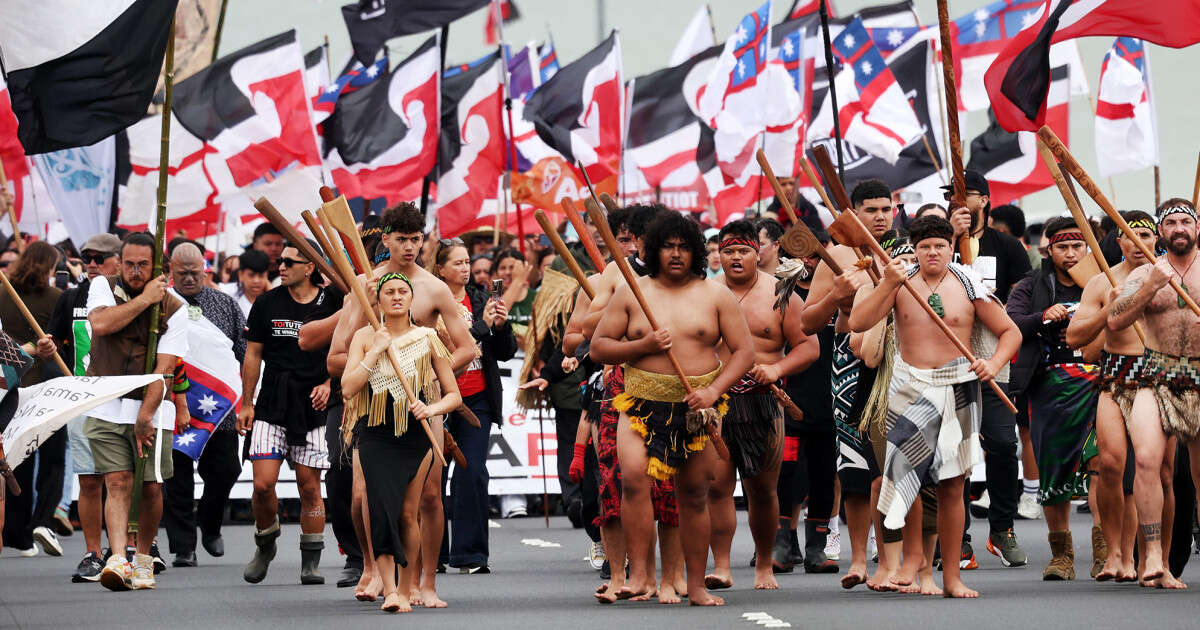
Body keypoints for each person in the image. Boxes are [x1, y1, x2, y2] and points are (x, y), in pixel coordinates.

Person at [849, 215, 1020, 598]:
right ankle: (911, 561)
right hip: (910, 385)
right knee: (905, 474)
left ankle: (952, 577)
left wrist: (992, 364)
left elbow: (1011, 331)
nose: (932, 253)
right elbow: (858, 322)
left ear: (949, 247)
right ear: (916, 248)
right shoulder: (900, 280)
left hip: (959, 386)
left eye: (939, 246)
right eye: (924, 246)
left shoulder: (968, 282)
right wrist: (888, 283)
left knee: (952, 484)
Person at [591, 211, 755, 607]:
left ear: (696, 251)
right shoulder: (633, 292)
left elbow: (744, 352)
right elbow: (599, 347)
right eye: (668, 247)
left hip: (697, 408)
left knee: (694, 495)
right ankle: (642, 576)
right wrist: (641, 346)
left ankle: (695, 585)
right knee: (632, 478)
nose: (676, 254)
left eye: (684, 247)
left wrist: (714, 390)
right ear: (654, 251)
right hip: (641, 405)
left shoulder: (715, 294)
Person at [327, 203, 475, 607]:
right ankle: (373, 568)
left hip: (423, 406)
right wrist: (372, 363)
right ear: (385, 239)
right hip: (372, 408)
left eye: (416, 239)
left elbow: (465, 348)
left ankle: (424, 582)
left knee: (427, 498)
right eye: (402, 239)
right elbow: (336, 357)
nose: (409, 247)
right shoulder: (365, 286)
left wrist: (427, 371)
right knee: (364, 496)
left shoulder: (435, 289)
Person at [707, 220, 819, 590]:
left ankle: (764, 567)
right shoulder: (703, 293)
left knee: (762, 490)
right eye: (727, 251)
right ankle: (722, 566)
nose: (735, 258)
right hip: (715, 404)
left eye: (743, 251)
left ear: (759, 253)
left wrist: (776, 368)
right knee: (717, 487)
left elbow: (808, 346)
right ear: (718, 254)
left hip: (763, 404)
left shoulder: (781, 293)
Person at [341, 273, 462, 613]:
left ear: (412, 299)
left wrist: (431, 408)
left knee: (409, 513)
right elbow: (348, 388)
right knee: (380, 510)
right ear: (377, 300)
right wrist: (376, 349)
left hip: (416, 434)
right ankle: (390, 591)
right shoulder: (365, 337)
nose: (396, 297)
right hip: (375, 433)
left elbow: (453, 395)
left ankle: (407, 589)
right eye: (389, 292)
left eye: (403, 292)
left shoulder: (427, 337)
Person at [799, 179, 890, 589]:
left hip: (901, 361)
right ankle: (858, 559)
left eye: (887, 209)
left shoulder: (905, 253)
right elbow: (806, 322)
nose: (881, 217)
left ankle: (891, 558)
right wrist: (837, 295)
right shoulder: (835, 255)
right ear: (852, 214)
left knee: (893, 469)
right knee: (855, 466)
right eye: (871, 210)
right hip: (850, 363)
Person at [85, 232, 189, 591]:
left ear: (158, 265)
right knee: (116, 482)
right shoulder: (102, 286)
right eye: (127, 263)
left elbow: (164, 370)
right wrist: (145, 300)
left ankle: (143, 557)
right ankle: (117, 559)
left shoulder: (175, 308)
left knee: (150, 489)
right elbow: (100, 325)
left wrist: (146, 414)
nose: (133, 270)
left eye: (142, 264)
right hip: (106, 404)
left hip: (153, 408)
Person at [237, 242, 343, 585]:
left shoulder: (333, 302)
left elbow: (348, 346)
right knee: (263, 485)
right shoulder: (267, 302)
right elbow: (253, 355)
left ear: (310, 267)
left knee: (309, 486)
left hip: (313, 405)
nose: (280, 267)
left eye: (288, 261)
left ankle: (310, 561)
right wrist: (247, 402)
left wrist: (330, 383)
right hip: (272, 403)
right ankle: (265, 542)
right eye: (278, 261)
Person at [1107, 198, 1200, 586]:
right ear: (1161, 232)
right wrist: (1151, 286)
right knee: (1146, 458)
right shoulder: (1146, 271)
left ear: (1197, 228)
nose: (1179, 228)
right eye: (1171, 223)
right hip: (1157, 371)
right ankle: (1154, 557)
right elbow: (1115, 320)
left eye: (1186, 221)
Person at [1065, 210, 1158, 583]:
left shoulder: (1169, 277)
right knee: (1111, 464)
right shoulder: (1102, 283)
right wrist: (1109, 310)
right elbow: (1075, 339)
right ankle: (1115, 553)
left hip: (1157, 377)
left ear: (1156, 240)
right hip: (1115, 377)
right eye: (1129, 236)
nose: (1138, 242)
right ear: (1117, 243)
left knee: (1152, 471)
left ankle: (1152, 556)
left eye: (1145, 235)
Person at [944, 170, 1031, 569]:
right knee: (953, 450)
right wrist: (949, 235)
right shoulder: (937, 242)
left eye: (968, 195)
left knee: (1001, 443)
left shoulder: (1008, 246)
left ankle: (1002, 528)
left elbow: (1017, 304)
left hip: (993, 357)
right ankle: (957, 537)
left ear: (986, 200)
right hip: (945, 359)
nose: (960, 201)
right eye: (952, 195)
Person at [1006, 218, 1100, 580]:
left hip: (1100, 383)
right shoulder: (1032, 285)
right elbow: (1010, 322)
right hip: (1048, 386)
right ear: (1049, 250)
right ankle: (1062, 556)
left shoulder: (1103, 281)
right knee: (1054, 471)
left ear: (1087, 248)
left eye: (1078, 246)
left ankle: (1105, 551)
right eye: (1063, 247)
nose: (1071, 253)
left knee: (1102, 467)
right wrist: (1042, 316)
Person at [431, 240, 516, 572]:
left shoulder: (481, 298)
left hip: (477, 398)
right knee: (432, 476)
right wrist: (480, 327)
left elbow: (506, 351)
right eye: (457, 263)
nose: (465, 268)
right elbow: (454, 345)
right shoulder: (429, 303)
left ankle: (471, 555)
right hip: (437, 398)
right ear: (440, 269)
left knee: (473, 473)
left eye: (468, 262)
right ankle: (432, 554)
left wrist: (500, 326)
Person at [161, 243, 245, 568]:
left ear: (205, 269)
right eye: (182, 273)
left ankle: (209, 524)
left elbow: (243, 348)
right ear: (171, 271)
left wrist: (243, 394)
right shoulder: (161, 304)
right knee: (177, 478)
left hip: (218, 407)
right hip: (174, 405)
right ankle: (184, 548)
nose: (189, 278)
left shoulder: (225, 304)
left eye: (195, 272)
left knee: (227, 470)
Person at [48, 233, 121, 581]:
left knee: (123, 480)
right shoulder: (70, 298)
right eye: (87, 257)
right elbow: (56, 341)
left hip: (122, 398)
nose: (91, 263)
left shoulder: (129, 297)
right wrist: (48, 349)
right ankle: (93, 553)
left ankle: (130, 549)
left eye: (100, 257)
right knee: (90, 481)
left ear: (117, 261)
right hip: (83, 399)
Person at [774, 227, 841, 574]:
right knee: (787, 473)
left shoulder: (839, 292)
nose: (807, 262)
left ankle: (817, 547)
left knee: (824, 475)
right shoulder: (780, 295)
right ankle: (782, 543)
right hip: (788, 401)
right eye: (800, 256)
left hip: (830, 402)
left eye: (815, 256)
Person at [1, 242, 65, 557]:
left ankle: (18, 534)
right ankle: (42, 519)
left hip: (12, 387)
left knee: (18, 459)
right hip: (47, 387)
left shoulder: (3, 293)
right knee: (54, 459)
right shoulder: (55, 299)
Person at [223, 250, 271, 318]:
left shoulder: (276, 300)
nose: (256, 281)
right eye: (251, 275)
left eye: (261, 275)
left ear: (267, 275)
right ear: (240, 275)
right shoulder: (228, 294)